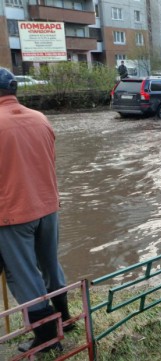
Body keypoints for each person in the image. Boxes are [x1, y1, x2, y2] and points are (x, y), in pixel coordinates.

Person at [0, 67, 72, 354]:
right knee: (50, 265)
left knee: (24, 275)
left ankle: (46, 336)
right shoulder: (40, 119)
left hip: (13, 213)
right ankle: (64, 319)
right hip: (48, 206)